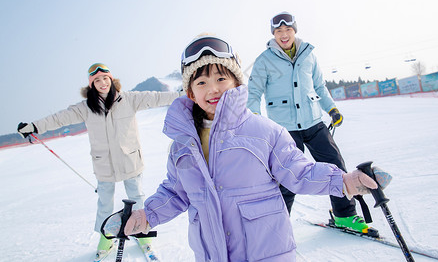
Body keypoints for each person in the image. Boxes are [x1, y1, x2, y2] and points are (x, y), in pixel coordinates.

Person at [121, 35, 379, 261]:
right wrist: (148, 215)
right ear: (190, 93)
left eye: (221, 78)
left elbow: (299, 172)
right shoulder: (182, 147)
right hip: (211, 255)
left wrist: (343, 181)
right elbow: (176, 192)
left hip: (267, 253)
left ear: (236, 82)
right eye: (201, 83)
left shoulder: (264, 132)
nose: (212, 89)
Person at [17, 63, 180, 261]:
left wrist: (180, 94)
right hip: (104, 165)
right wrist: (34, 126)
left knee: (137, 199)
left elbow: (155, 98)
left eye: (105, 78)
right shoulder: (86, 108)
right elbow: (59, 118)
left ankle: (142, 235)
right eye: (96, 80)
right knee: (104, 205)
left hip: (130, 160)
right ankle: (106, 240)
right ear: (91, 85)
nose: (102, 83)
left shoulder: (129, 99)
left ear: (112, 80)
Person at [246, 11, 371, 233]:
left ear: (294, 30)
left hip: (313, 122)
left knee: (336, 166)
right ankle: (278, 226)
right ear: (273, 34)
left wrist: (331, 108)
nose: (284, 35)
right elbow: (254, 92)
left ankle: (345, 215)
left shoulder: (308, 54)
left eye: (288, 30)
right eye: (279, 32)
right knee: (287, 175)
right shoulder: (264, 60)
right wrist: (254, 117)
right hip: (284, 128)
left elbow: (319, 86)